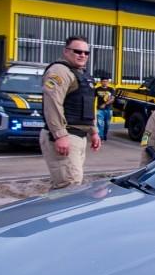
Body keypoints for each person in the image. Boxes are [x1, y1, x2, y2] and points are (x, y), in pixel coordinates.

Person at [40, 36, 101, 188]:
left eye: (86, 53)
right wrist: (60, 135)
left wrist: (94, 132)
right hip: (66, 136)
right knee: (69, 186)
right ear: (66, 52)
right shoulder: (60, 71)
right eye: (78, 51)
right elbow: (52, 104)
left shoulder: (82, 75)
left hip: (78, 137)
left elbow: (88, 105)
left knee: (68, 185)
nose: (83, 55)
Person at [94, 73, 116, 141]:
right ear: (101, 82)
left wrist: (105, 104)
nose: (105, 82)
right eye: (103, 81)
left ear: (108, 82)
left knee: (107, 124)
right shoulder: (97, 89)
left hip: (109, 110)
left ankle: (104, 135)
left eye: (106, 81)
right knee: (100, 124)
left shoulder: (111, 89)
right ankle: (101, 137)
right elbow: (93, 98)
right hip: (100, 110)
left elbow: (112, 99)